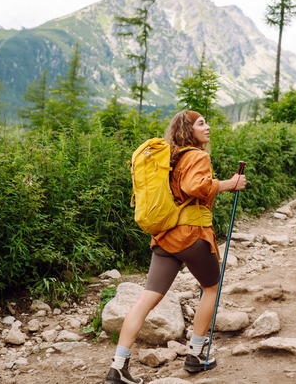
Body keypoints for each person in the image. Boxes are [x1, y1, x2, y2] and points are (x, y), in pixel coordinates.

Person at [105, 110, 247, 384]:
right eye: (201, 123)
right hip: (192, 234)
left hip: (165, 236)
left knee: (147, 298)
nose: (207, 127)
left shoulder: (168, 158)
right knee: (211, 288)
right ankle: (195, 355)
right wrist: (230, 184)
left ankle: (118, 366)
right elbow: (194, 186)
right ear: (188, 129)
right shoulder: (198, 155)